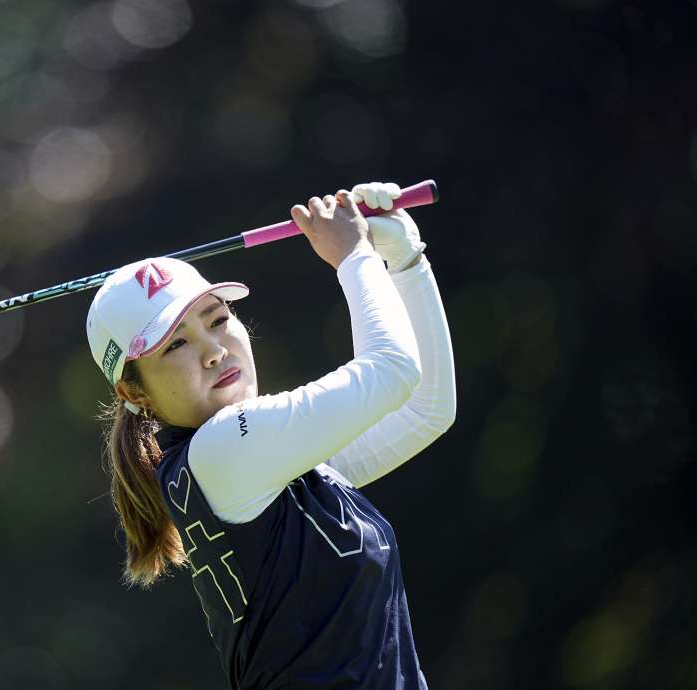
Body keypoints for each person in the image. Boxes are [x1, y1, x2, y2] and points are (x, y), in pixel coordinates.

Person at [84, 181, 456, 689]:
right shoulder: (227, 449)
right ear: (134, 393)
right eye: (176, 347)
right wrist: (353, 255)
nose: (213, 349)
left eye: (218, 319)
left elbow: (423, 410)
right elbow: (392, 372)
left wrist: (405, 260)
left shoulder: (257, 467)